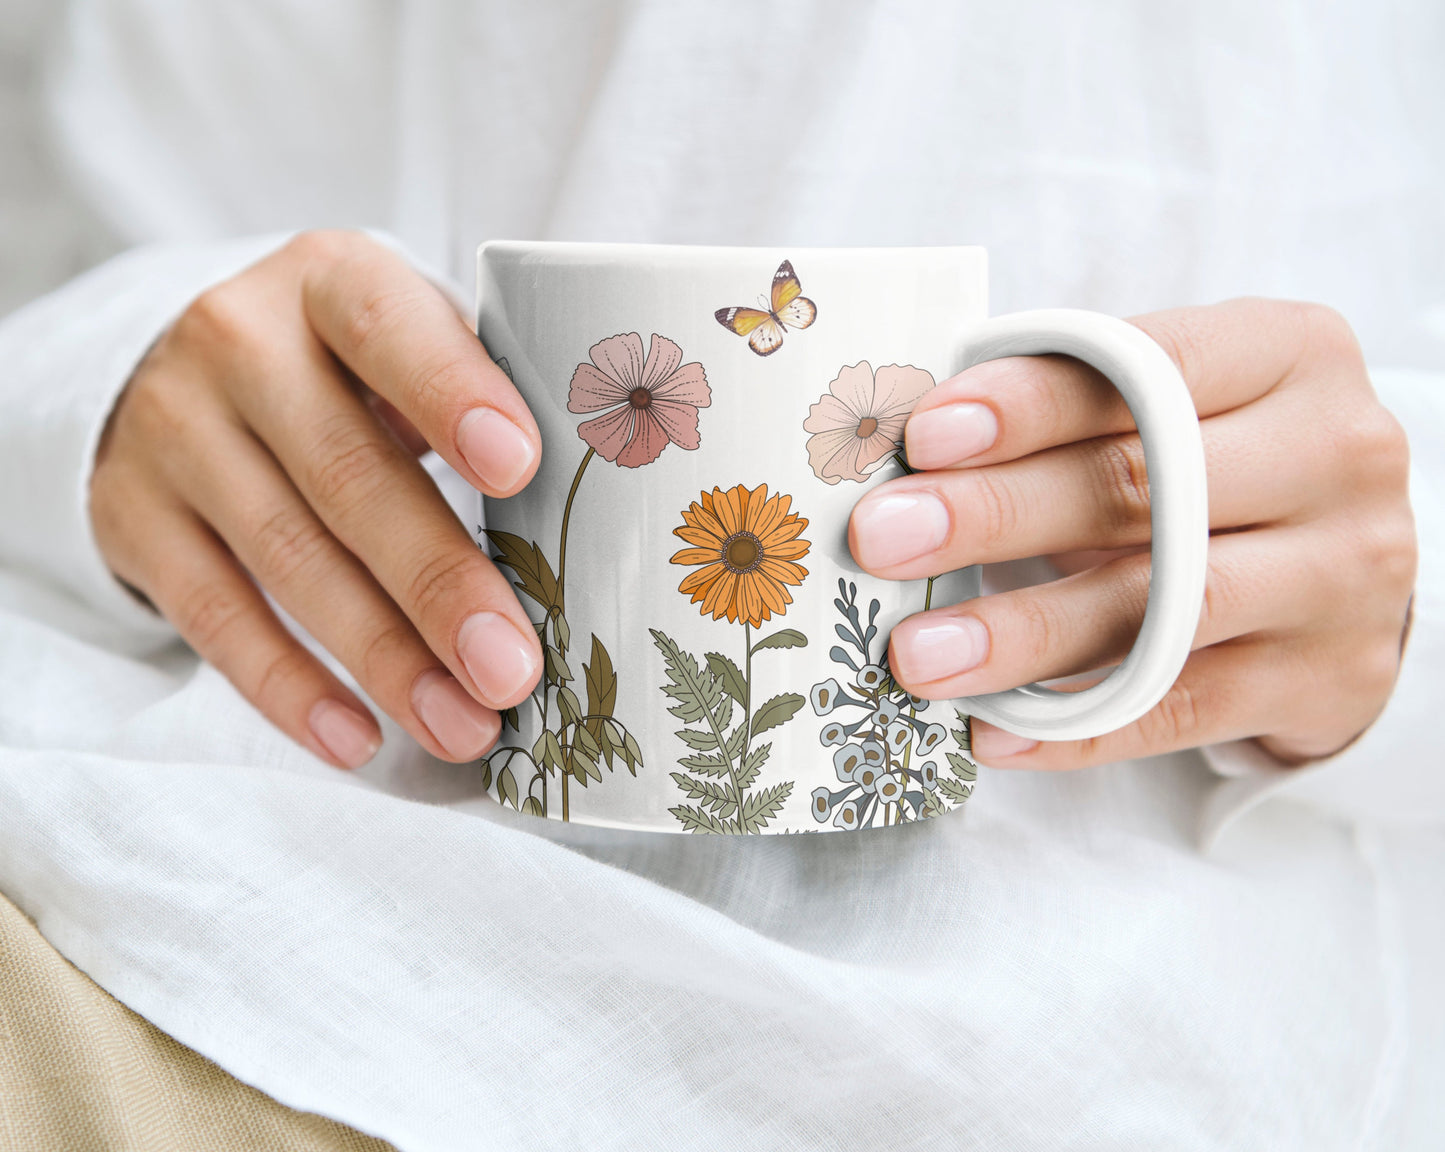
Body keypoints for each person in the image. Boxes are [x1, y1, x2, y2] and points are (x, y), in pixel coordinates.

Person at [0, 2, 1440, 1148]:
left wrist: (1394, 592)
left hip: (1115, 1025)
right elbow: (79, 210)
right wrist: (121, 376)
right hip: (277, 892)